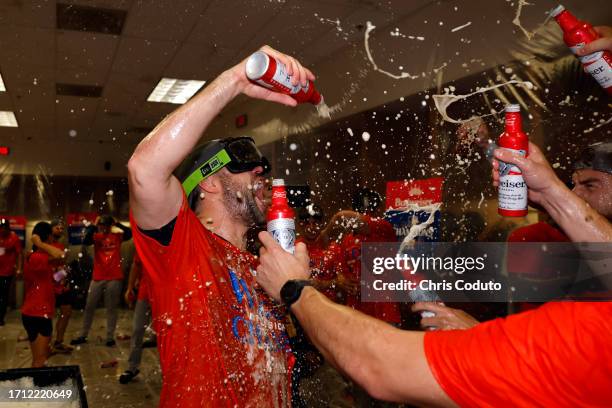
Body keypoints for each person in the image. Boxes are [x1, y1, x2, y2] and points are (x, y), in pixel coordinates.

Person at [254, 141, 612, 406]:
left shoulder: (580, 337)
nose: (574, 194)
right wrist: (551, 193)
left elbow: (381, 366)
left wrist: (294, 289)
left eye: (590, 185)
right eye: (571, 185)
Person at [126, 45, 314, 406]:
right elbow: (143, 170)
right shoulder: (182, 249)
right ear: (207, 182)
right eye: (244, 161)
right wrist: (237, 79)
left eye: (260, 163)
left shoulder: (263, 265)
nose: (260, 169)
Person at [71, 215, 132, 347]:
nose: (103, 227)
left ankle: (110, 337)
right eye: (101, 225)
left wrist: (117, 223)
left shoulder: (117, 237)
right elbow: (86, 241)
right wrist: (94, 225)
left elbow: (129, 233)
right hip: (98, 277)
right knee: (89, 306)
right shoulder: (96, 236)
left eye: (105, 225)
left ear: (110, 226)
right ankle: (83, 334)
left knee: (111, 308)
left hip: (114, 277)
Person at [22, 222, 64, 367]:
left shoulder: (37, 257)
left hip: (33, 311)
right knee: (40, 361)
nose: (53, 239)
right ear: (47, 236)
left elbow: (51, 279)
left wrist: (63, 274)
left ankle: (36, 386)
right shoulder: (37, 257)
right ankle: (37, 388)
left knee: (39, 358)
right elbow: (60, 254)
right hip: (39, 313)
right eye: (52, 235)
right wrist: (39, 242)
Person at [119, 252, 156, 384]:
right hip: (145, 291)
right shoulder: (143, 240)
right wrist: (130, 287)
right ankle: (132, 367)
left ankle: (171, 369)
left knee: (167, 332)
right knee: (137, 328)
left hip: (165, 292)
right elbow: (136, 265)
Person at [47, 219, 74, 353]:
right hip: (48, 284)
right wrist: (57, 257)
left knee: (66, 312)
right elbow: (42, 261)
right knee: (47, 316)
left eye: (62, 228)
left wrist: (65, 276)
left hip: (60, 283)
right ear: (50, 229)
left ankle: (59, 341)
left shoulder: (60, 245)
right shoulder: (44, 245)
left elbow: (61, 264)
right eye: (57, 228)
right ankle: (46, 344)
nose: (60, 230)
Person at [0, 218, 22, 326]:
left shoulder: (14, 238)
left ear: (8, 228)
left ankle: (0, 317)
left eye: (4, 228)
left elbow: (19, 254)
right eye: (1, 228)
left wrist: (19, 268)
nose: (2, 230)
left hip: (6, 272)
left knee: (3, 295)